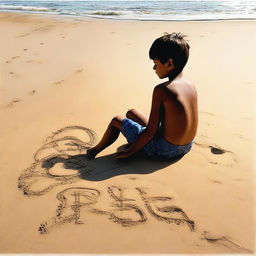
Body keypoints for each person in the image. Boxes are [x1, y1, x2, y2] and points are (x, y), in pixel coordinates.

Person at [87, 32, 198, 160]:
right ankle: (137, 140)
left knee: (116, 120)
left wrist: (131, 152)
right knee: (132, 113)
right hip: (186, 145)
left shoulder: (162, 90)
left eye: (156, 63)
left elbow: (151, 131)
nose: (154, 67)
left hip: (164, 150)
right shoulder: (190, 85)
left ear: (169, 64)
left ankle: (93, 151)